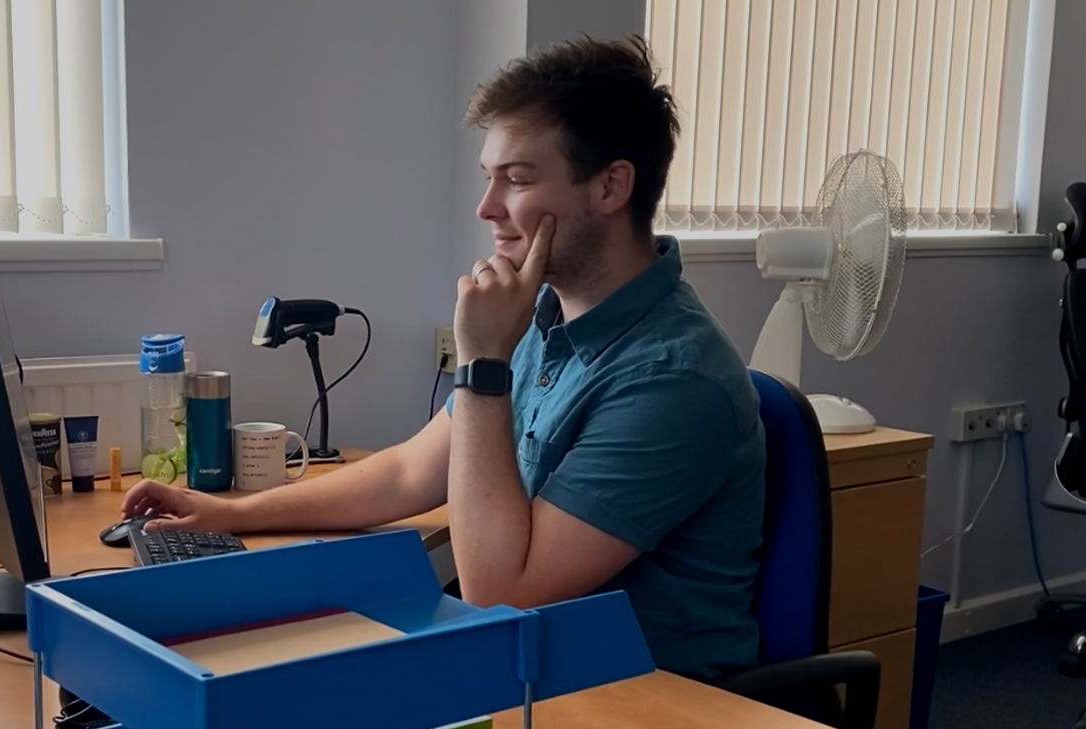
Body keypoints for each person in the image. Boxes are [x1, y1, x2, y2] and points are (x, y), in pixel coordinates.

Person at [122, 35, 765, 681]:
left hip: (641, 710)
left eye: (515, 179)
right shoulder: (545, 319)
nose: (486, 208)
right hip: (528, 672)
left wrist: (483, 363)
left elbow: (501, 595)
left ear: (610, 186)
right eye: (489, 178)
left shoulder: (674, 378)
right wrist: (231, 514)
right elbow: (410, 471)